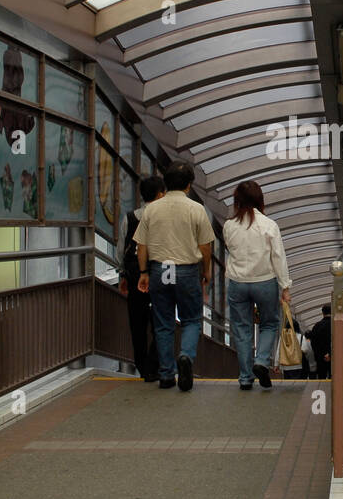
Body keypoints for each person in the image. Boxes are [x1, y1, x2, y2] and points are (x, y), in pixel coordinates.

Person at [135, 160, 215, 391]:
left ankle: (167, 374)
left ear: (166, 184)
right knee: (191, 319)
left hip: (161, 269)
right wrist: (206, 271)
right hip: (186, 270)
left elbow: (142, 246)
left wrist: (143, 273)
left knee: (163, 323)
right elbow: (206, 247)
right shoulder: (197, 210)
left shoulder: (151, 209)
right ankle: (186, 357)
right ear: (189, 186)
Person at [221, 180, 292, 390]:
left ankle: (245, 377)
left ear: (237, 201)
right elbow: (278, 257)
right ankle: (261, 361)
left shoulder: (228, 226)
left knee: (241, 328)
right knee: (269, 324)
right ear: (260, 200)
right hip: (264, 282)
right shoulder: (269, 225)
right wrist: (285, 286)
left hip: (238, 282)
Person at [119, 175, 165, 381]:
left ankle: (142, 365)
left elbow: (121, 249)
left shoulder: (130, 218)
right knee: (162, 321)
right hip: (160, 273)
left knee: (137, 323)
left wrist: (123, 274)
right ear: (159, 194)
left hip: (135, 273)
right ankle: (154, 366)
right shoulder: (163, 217)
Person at [309, 304, 332, 379]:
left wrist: (322, 355)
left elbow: (313, 343)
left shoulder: (317, 326)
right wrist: (330, 354)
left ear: (322, 313)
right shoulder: (336, 325)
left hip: (321, 358)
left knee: (321, 378)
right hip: (334, 357)